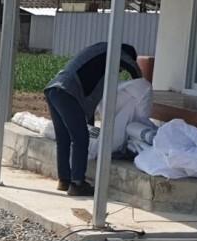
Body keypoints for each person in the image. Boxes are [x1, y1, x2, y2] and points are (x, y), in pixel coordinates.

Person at [44, 42, 142, 196]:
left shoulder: (98, 56)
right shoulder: (114, 50)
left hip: (54, 89)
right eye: (120, 68)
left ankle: (64, 180)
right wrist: (142, 85)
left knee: (63, 139)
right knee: (80, 139)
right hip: (67, 91)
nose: (119, 70)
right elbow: (133, 67)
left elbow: (88, 103)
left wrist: (88, 127)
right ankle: (77, 184)